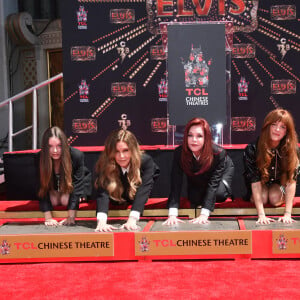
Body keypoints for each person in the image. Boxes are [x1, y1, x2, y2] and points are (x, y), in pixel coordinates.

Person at [163, 117, 234, 226]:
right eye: (190, 135)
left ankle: (222, 191)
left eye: (199, 136)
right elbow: (176, 183)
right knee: (194, 198)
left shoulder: (219, 154)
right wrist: (172, 214)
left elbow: (213, 184)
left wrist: (204, 215)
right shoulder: (179, 153)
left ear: (206, 138)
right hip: (200, 174)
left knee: (219, 193)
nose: (194, 140)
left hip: (222, 170)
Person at [94, 129, 160, 232]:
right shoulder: (105, 163)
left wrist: (132, 220)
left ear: (132, 150)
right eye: (117, 152)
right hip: (115, 200)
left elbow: (143, 190)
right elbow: (103, 194)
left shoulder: (146, 162)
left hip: (137, 197)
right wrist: (101, 222)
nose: (122, 156)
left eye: (125, 150)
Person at [244, 109, 299, 225]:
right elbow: (255, 182)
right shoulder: (253, 148)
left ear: (287, 131)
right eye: (274, 125)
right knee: (263, 198)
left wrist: (287, 214)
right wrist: (261, 215)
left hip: (279, 185)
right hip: (259, 184)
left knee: (274, 198)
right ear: (267, 126)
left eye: (283, 127)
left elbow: (291, 181)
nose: (277, 130)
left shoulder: (293, 150)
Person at [38, 126, 92, 226]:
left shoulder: (76, 155)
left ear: (64, 145)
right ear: (45, 147)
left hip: (73, 184)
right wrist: (48, 218)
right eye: (50, 146)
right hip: (54, 188)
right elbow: (40, 188)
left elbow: (77, 186)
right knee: (53, 201)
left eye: (59, 146)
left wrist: (71, 217)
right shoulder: (39, 158)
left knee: (65, 200)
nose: (55, 150)